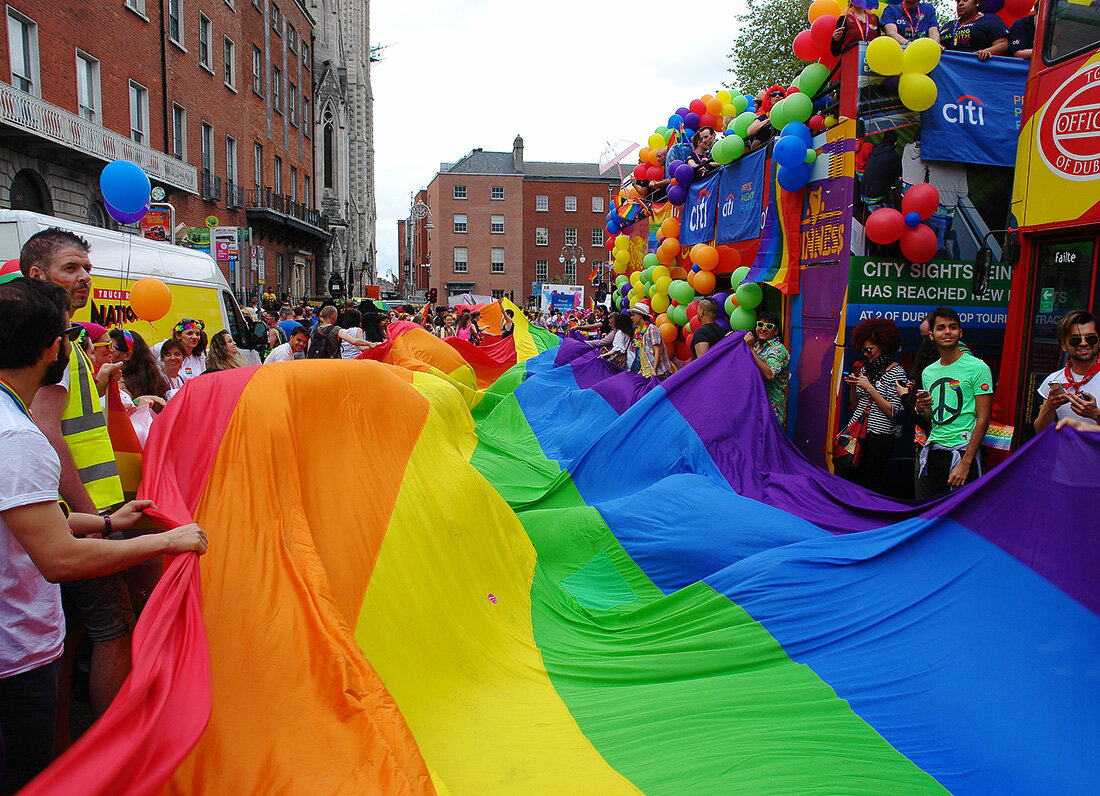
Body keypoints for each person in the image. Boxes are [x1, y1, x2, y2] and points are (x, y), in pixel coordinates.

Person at [0, 277, 207, 791]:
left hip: (17, 645)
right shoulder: (17, 436)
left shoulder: (10, 420)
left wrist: (112, 522)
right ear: (54, 349)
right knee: (28, 776)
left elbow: (33, 516)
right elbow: (60, 559)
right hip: (16, 656)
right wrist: (166, 541)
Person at [20, 228, 136, 721]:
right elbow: (50, 434)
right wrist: (96, 521)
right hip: (81, 517)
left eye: (87, 268)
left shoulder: (62, 342)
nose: (85, 277)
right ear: (36, 275)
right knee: (115, 627)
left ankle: (64, 738)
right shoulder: (53, 346)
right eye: (71, 268)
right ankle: (113, 740)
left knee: (70, 632)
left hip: (75, 514)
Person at [913, 307, 993, 498]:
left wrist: (966, 462)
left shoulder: (978, 367)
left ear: (960, 332)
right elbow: (933, 418)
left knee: (963, 515)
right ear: (932, 335)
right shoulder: (928, 372)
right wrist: (920, 407)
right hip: (934, 451)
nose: (947, 332)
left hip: (963, 451)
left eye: (953, 327)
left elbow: (984, 418)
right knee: (936, 513)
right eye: (941, 328)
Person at [842, 318, 908, 493]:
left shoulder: (896, 372)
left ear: (883, 345)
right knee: (851, 478)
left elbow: (893, 411)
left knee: (871, 482)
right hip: (857, 433)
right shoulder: (865, 368)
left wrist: (870, 388)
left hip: (879, 437)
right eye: (863, 350)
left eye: (869, 350)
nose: (865, 354)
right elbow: (855, 405)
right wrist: (853, 387)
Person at [1033, 310, 1099, 432]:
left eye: (1090, 338)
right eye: (1075, 340)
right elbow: (1041, 432)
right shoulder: (1054, 380)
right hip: (1067, 450)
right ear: (1064, 345)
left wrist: (1095, 414)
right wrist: (1049, 407)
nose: (1084, 343)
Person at [744, 310, 791, 426]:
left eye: (769, 326)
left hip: (770, 411)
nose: (763, 329)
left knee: (769, 443)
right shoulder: (757, 346)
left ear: (775, 332)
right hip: (754, 408)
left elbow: (769, 374)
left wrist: (750, 349)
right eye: (760, 324)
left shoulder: (778, 349)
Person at [107, 329, 168, 411]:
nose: (109, 351)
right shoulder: (152, 376)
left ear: (127, 355)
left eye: (112, 348)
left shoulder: (121, 383)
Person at [940, 0, 1008, 60]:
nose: (960, 3)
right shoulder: (947, 25)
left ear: (977, 2)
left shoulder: (990, 20)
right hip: (948, 69)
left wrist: (987, 51)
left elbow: (1003, 44)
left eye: (965, 0)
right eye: (958, 1)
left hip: (976, 68)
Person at [629, 304, 673, 380]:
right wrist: (642, 369)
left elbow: (657, 350)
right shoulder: (639, 332)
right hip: (646, 374)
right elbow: (644, 354)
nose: (631, 318)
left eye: (633, 315)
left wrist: (654, 369)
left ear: (640, 315)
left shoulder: (652, 329)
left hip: (658, 374)